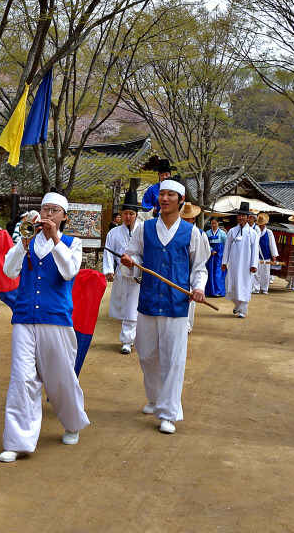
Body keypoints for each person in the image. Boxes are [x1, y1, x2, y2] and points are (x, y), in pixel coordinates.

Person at [0, 190, 89, 462]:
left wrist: (54, 238)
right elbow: (8, 271)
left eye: (54, 211)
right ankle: (18, 441)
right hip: (24, 317)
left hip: (56, 319)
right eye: (45, 210)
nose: (48, 215)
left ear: (64, 217)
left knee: (60, 377)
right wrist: (22, 243)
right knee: (22, 378)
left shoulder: (73, 243)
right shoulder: (27, 240)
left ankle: (72, 422)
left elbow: (69, 271)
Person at [121, 179, 209, 434]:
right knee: (147, 354)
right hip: (148, 300)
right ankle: (156, 397)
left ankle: (168, 412)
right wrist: (130, 261)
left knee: (173, 358)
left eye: (171, 194)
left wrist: (199, 287)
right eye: (162, 194)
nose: (165, 198)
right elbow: (134, 254)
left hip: (176, 304)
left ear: (181, 200)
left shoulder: (192, 233)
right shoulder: (144, 228)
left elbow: (199, 267)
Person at [103, 191, 144, 354]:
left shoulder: (142, 231)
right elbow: (107, 252)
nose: (128, 216)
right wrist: (108, 270)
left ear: (136, 214)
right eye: (125, 213)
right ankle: (129, 339)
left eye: (131, 213)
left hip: (137, 275)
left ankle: (129, 340)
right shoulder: (113, 233)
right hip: (121, 274)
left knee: (134, 308)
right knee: (124, 307)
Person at [222, 201, 259, 319]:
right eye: (240, 215)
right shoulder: (232, 231)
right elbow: (226, 247)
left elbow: (255, 250)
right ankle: (237, 305)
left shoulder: (252, 233)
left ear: (248, 218)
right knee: (231, 285)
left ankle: (242, 310)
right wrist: (224, 262)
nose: (241, 217)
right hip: (233, 264)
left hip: (246, 265)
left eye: (244, 215)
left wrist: (254, 265)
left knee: (244, 285)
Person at [180, 202, 209, 334]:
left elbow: (206, 252)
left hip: (193, 268)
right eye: (183, 217)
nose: (186, 220)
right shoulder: (178, 232)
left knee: (190, 301)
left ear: (193, 219)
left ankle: (187, 326)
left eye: (188, 218)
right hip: (181, 270)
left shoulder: (200, 233)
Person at [254, 213, 279, 295]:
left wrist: (274, 255)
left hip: (266, 254)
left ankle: (264, 288)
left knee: (265, 273)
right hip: (256, 255)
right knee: (256, 272)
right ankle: (256, 288)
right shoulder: (255, 231)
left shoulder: (269, 232)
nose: (261, 226)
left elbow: (272, 244)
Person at [204, 216, 227, 297]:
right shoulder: (207, 233)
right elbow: (205, 243)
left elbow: (226, 244)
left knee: (218, 272)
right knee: (210, 272)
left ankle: (218, 291)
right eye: (212, 223)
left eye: (215, 223)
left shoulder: (222, 233)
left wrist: (224, 254)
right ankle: (211, 291)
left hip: (219, 255)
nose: (214, 225)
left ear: (218, 223)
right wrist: (210, 250)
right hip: (211, 255)